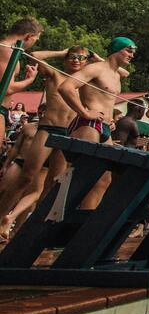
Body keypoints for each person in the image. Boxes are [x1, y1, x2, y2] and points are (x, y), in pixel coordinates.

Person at [0, 47, 91, 239]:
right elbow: (35, 56)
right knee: (27, 177)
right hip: (48, 129)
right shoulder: (55, 75)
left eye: (80, 58)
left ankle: (35, 228)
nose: (76, 60)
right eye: (72, 57)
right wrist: (61, 52)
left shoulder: (87, 83)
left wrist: (92, 56)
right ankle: (2, 217)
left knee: (53, 184)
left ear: (86, 62)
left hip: (67, 134)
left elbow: (118, 71)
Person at [58, 37, 138, 209]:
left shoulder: (116, 75)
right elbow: (66, 87)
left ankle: (82, 226)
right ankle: (59, 224)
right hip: (88, 125)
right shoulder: (95, 69)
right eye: (129, 50)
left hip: (105, 127)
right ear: (117, 49)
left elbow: (124, 73)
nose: (132, 55)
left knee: (104, 179)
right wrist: (85, 112)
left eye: (134, 52)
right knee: (83, 175)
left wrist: (109, 120)